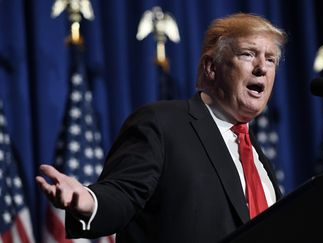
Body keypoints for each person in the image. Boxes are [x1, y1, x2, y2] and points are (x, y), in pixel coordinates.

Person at [36, 13, 287, 242]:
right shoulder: (162, 124)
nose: (262, 67)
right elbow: (123, 193)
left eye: (271, 59)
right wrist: (90, 201)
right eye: (248, 54)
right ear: (211, 66)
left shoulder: (258, 158)